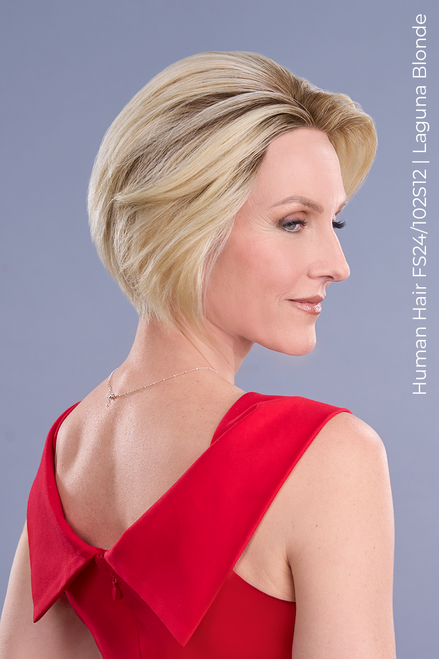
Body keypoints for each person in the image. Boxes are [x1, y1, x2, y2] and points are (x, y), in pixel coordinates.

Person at [0, 52, 396, 658]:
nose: (337, 266)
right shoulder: (328, 456)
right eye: (294, 222)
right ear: (188, 224)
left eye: (334, 224)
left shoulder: (67, 447)